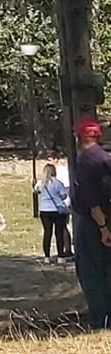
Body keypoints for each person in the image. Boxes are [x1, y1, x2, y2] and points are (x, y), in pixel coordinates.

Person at [71, 118, 111, 330]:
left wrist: (103, 228)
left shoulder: (86, 161)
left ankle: (100, 319)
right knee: (107, 269)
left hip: (94, 223)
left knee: (90, 271)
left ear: (81, 136)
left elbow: (91, 200)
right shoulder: (105, 158)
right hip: (107, 217)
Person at [35, 163, 72, 261]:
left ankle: (47, 256)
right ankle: (60, 255)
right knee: (59, 233)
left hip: (44, 210)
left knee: (47, 233)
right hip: (57, 210)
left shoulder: (41, 183)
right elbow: (64, 196)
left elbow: (36, 190)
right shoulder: (58, 183)